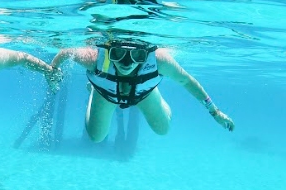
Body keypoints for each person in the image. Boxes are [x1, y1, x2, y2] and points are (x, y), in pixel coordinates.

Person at [51, 39, 234, 142]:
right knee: (96, 137)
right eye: (118, 53)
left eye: (137, 55)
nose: (126, 62)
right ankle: (94, 90)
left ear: (146, 54)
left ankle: (154, 94)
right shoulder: (94, 59)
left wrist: (215, 112)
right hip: (105, 93)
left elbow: (186, 81)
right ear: (108, 51)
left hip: (144, 94)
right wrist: (53, 72)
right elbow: (65, 53)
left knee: (163, 130)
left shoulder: (160, 60)